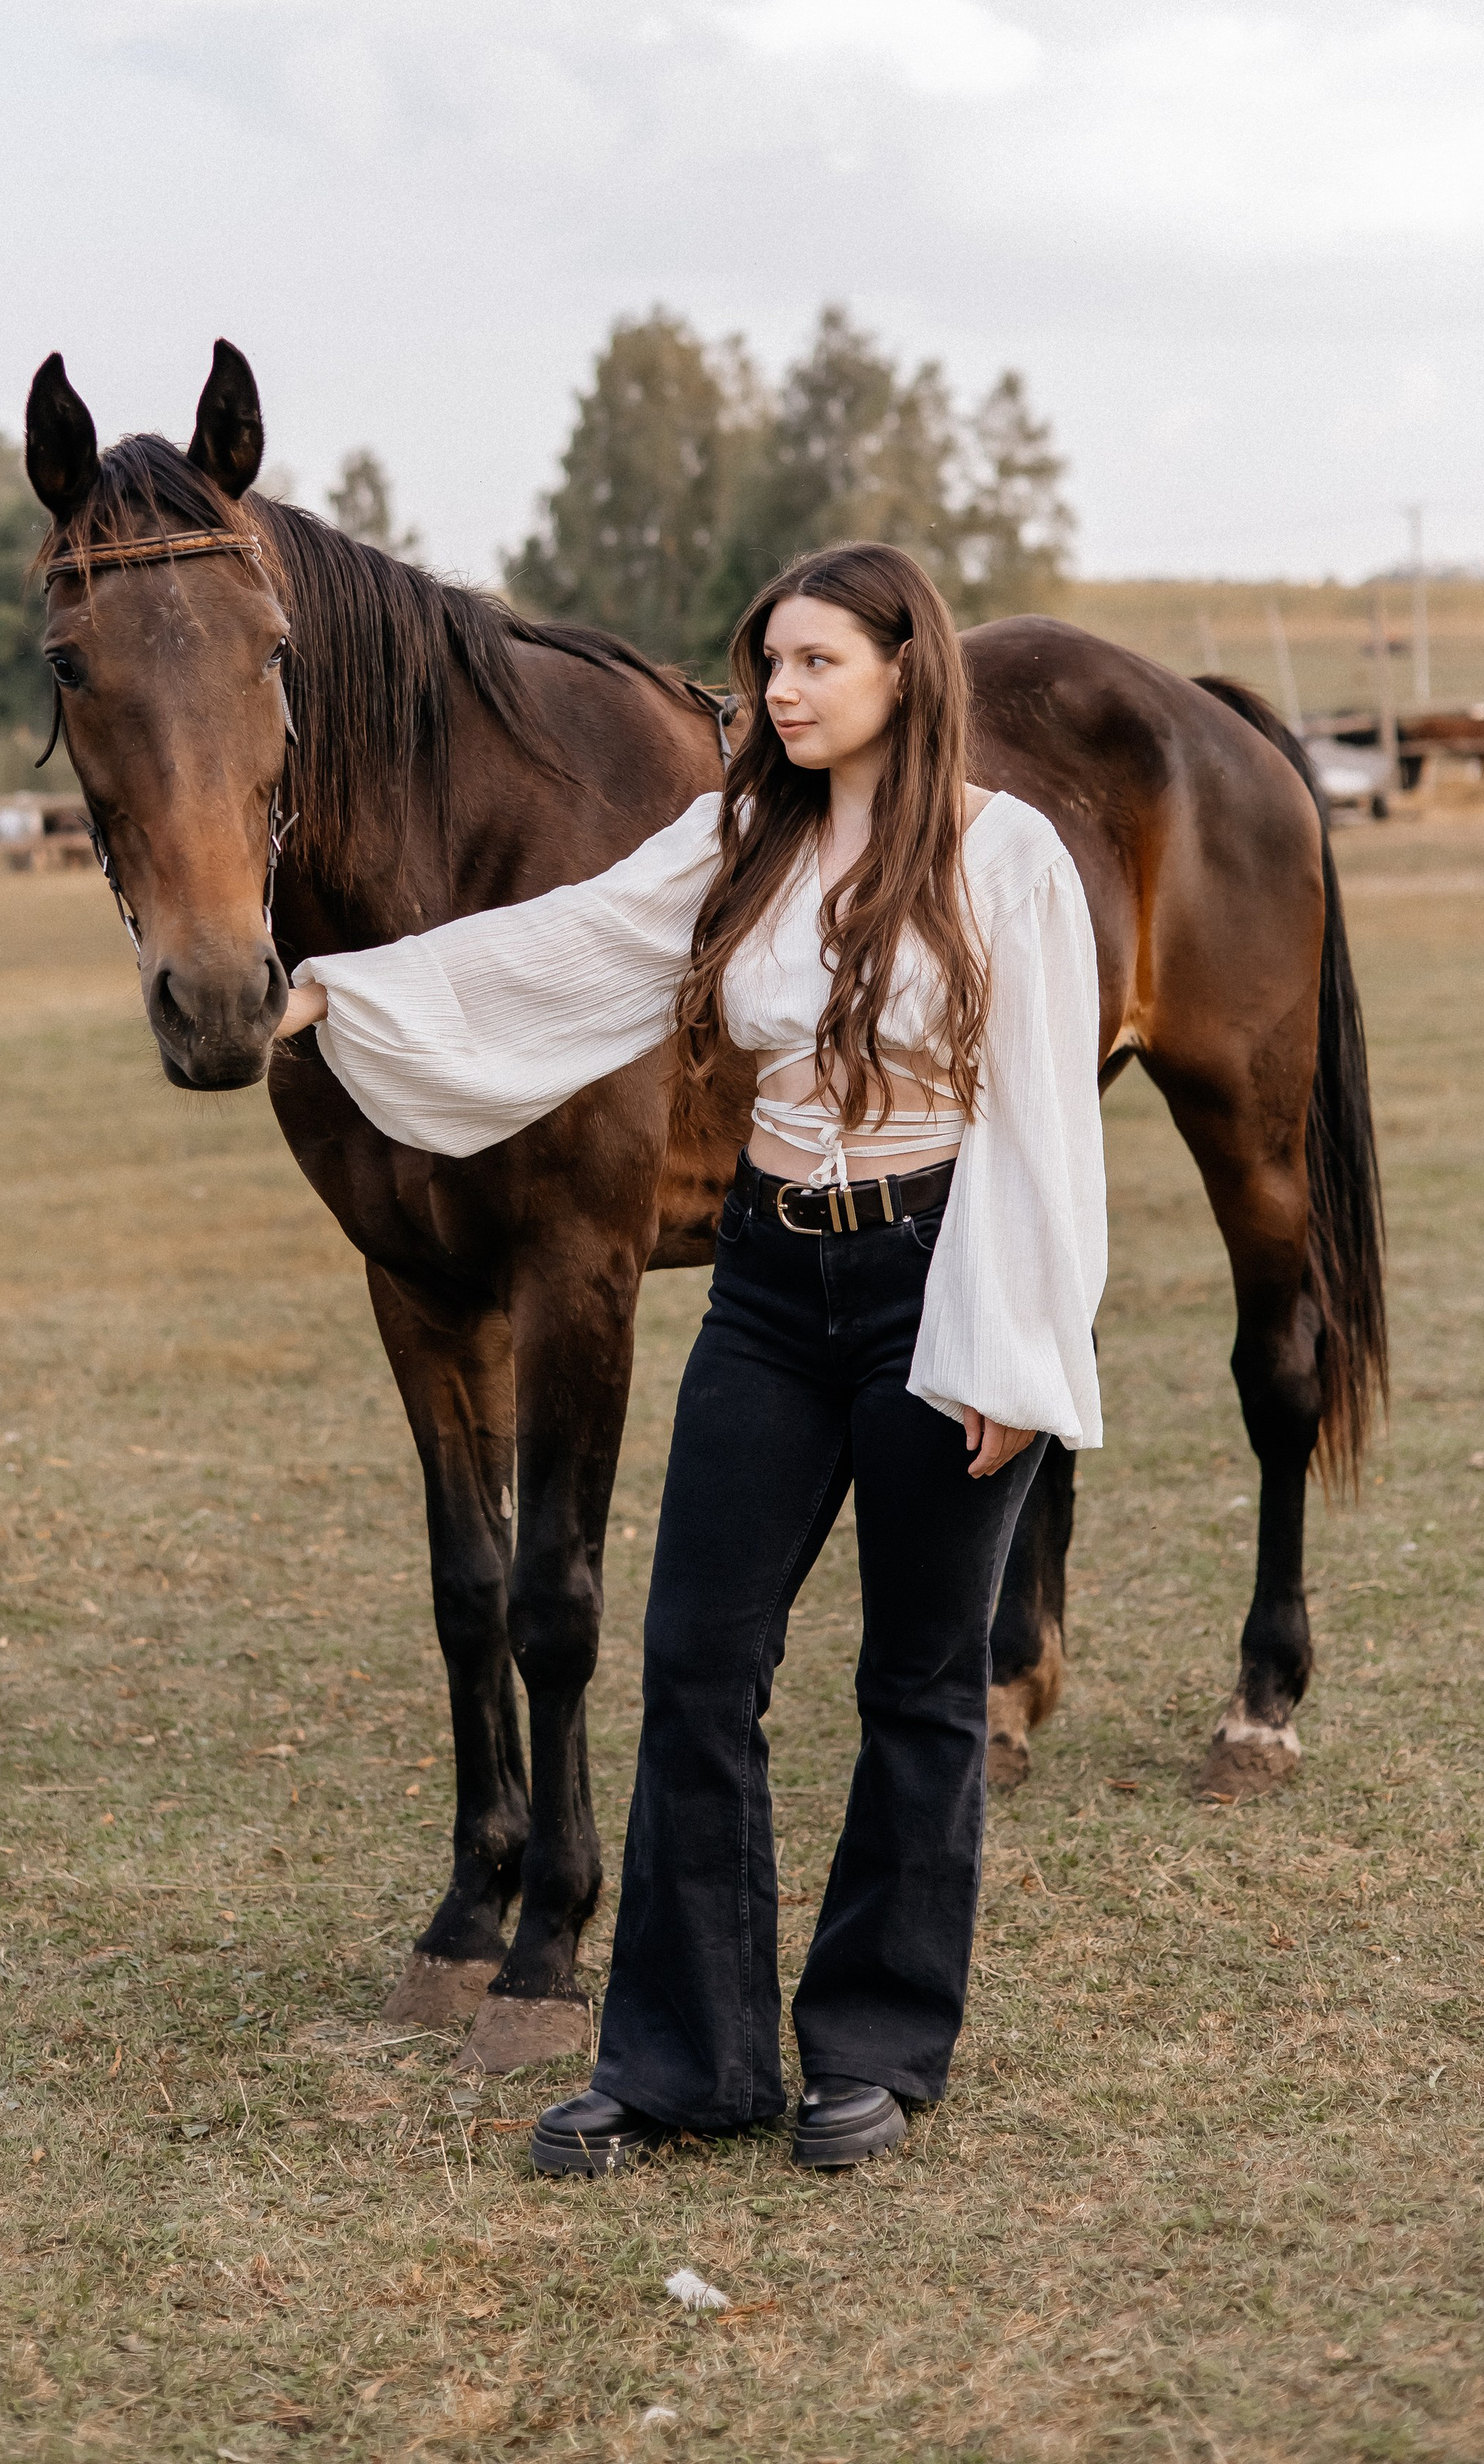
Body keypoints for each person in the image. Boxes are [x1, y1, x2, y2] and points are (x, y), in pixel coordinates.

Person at [277, 544, 1106, 2173]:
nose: (776, 693)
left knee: (917, 1679)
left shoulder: (1002, 858)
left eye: (811, 664)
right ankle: (679, 2060)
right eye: (769, 664)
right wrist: (336, 990)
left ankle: (873, 2044)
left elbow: (1045, 1125)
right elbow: (577, 945)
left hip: (937, 1271)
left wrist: (1015, 1348)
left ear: (900, 671)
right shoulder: (744, 833)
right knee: (694, 1654)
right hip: (767, 1279)